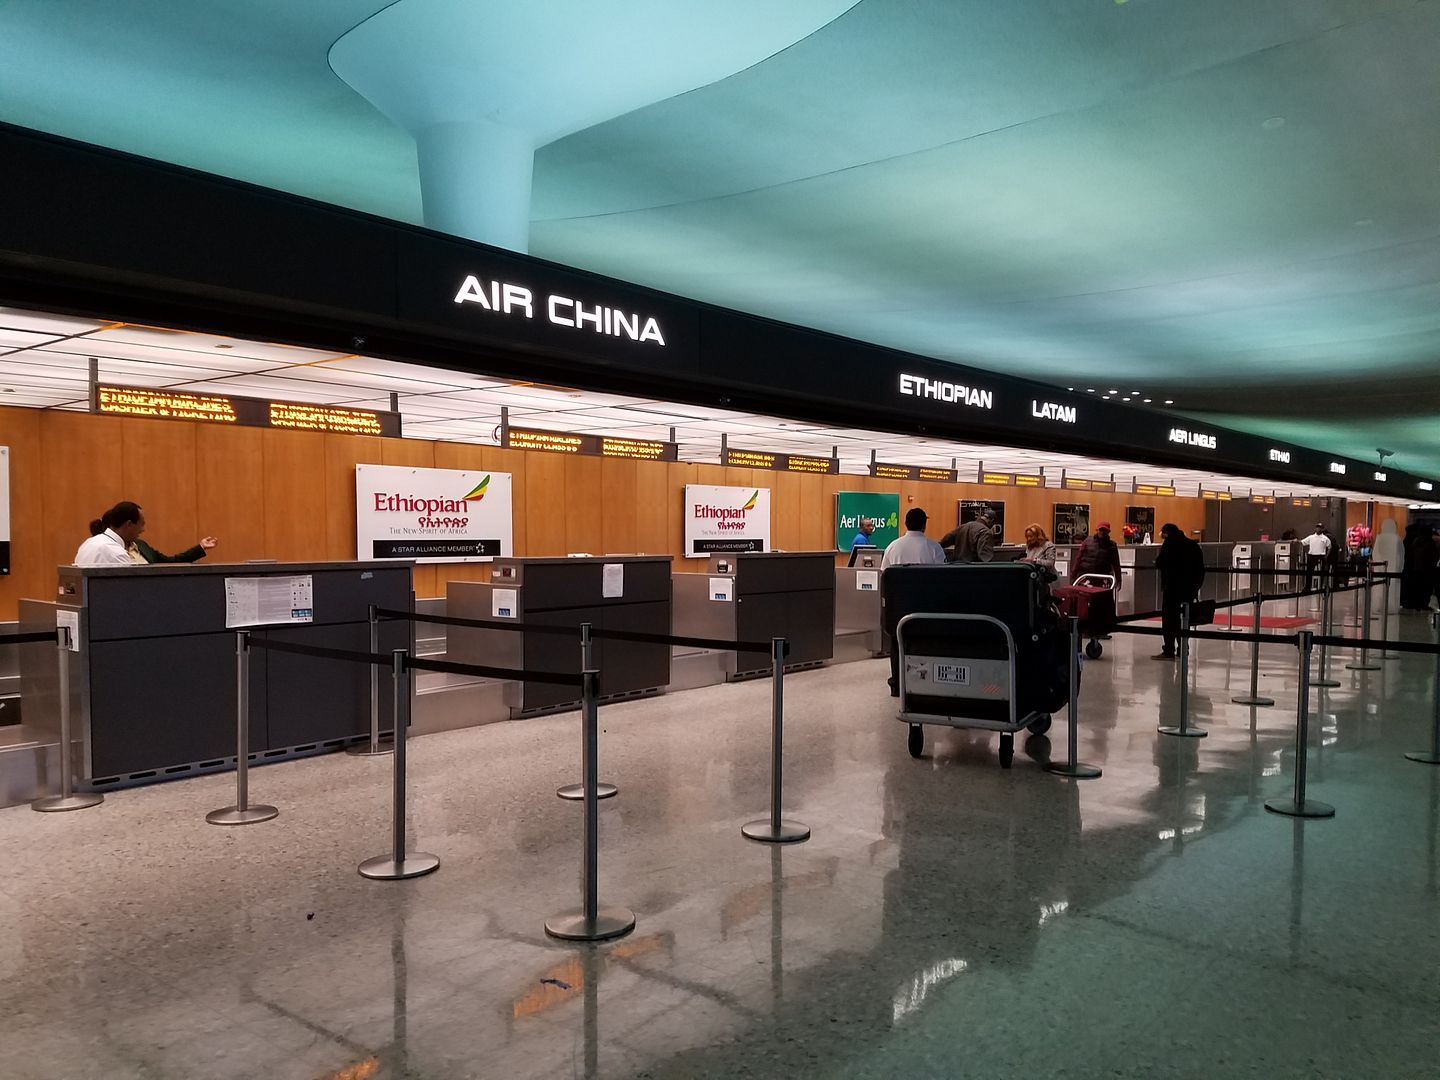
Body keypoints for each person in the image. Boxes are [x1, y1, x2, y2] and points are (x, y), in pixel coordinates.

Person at [882, 507, 946, 696]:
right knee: (923, 644)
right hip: (925, 605)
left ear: (905, 523)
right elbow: (943, 576)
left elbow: (885, 575)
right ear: (924, 525)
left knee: (897, 643)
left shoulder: (893, 546)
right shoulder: (933, 547)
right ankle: (922, 685)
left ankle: (897, 685)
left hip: (898, 605)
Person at [1152, 522, 1206, 660]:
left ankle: (1169, 650)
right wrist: (1195, 588)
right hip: (1188, 590)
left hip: (1171, 589)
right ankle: (1183, 648)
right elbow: (1200, 569)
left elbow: (1160, 562)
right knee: (1184, 620)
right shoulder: (1193, 545)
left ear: (1166, 533)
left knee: (1169, 620)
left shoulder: (1169, 544)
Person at [88, 517, 218, 564]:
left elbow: (170, 562)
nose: (142, 529)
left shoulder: (141, 545)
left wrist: (200, 547)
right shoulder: (107, 549)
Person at [74, 501, 145, 566]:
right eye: (141, 524)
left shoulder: (87, 543)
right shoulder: (117, 554)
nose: (143, 530)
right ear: (129, 524)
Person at [881, 507, 946, 569]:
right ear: (924, 525)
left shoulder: (891, 547)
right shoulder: (935, 548)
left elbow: (884, 573)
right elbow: (942, 573)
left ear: (905, 524)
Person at [1070, 520, 1121, 585]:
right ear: (1097, 530)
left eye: (1104, 530)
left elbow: (1116, 565)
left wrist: (1119, 580)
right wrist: (1073, 576)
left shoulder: (1112, 545)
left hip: (1102, 577)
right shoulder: (1087, 541)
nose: (1102, 532)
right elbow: (1078, 559)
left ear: (1108, 532)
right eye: (1100, 530)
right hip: (1086, 576)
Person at [1401, 523, 1438, 611]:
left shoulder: (1415, 541)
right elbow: (1433, 556)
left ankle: (1415, 604)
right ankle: (1423, 604)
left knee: (1417, 588)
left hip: (1414, 569)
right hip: (1427, 570)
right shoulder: (1429, 542)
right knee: (1426, 589)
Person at [1301, 522, 1331, 592]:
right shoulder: (1311, 537)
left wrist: (1326, 556)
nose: (1318, 529)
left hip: (1321, 556)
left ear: (1322, 529)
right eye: (1317, 527)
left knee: (1321, 572)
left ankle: (1320, 586)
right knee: (1309, 572)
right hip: (1312, 555)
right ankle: (1307, 587)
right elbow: (1302, 542)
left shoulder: (1325, 538)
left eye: (1320, 528)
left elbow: (1329, 547)